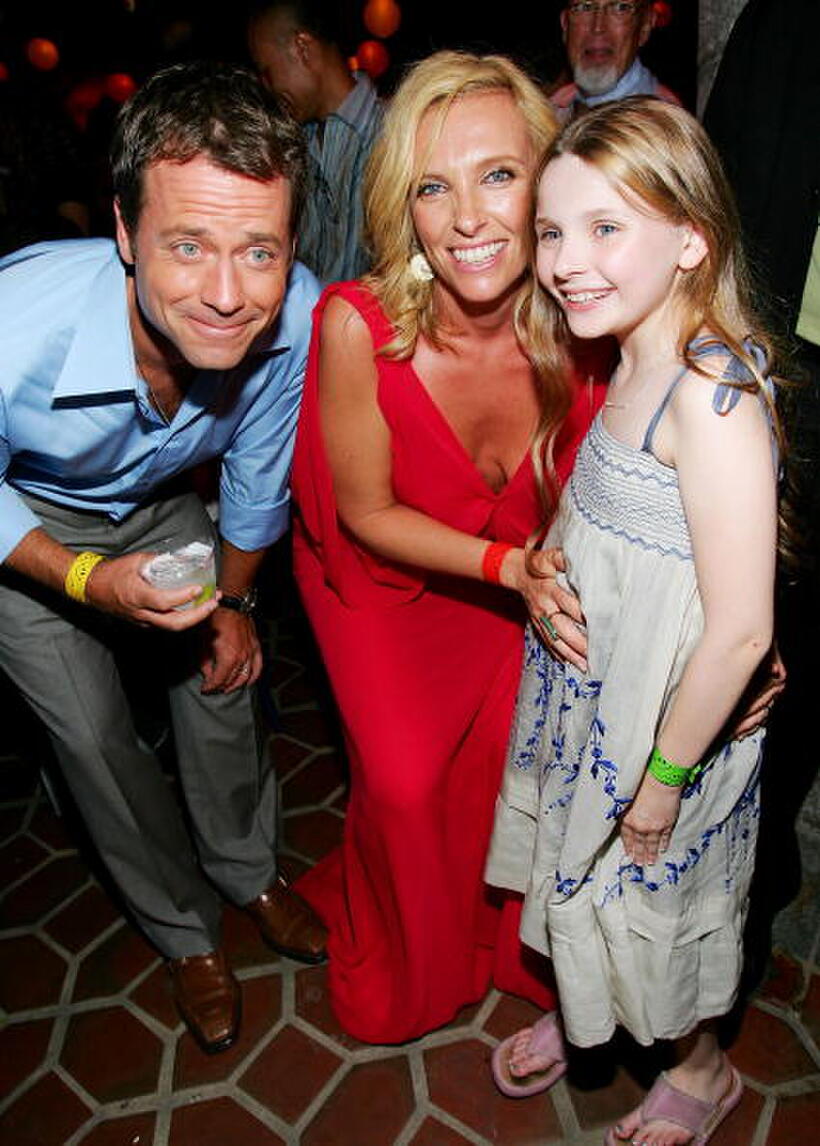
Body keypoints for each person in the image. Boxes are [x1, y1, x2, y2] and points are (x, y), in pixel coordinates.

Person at [0, 61, 327, 1055]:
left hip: (160, 510)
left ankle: (248, 870)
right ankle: (187, 933)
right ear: (124, 232)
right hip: (29, 534)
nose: (228, 296)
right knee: (96, 742)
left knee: (224, 679)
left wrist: (232, 600)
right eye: (187, 245)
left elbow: (262, 471)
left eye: (258, 251)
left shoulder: (298, 315)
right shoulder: (19, 321)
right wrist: (86, 580)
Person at [290, 50, 611, 1044]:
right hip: (381, 581)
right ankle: (416, 968)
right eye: (433, 185)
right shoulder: (359, 325)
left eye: (498, 175)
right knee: (402, 779)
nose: (467, 218)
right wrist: (504, 569)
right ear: (405, 204)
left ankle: (504, 953)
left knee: (520, 764)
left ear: (549, 179)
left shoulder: (587, 319)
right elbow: (366, 515)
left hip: (523, 583)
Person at [486, 97, 782, 1144]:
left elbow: (740, 629)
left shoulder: (712, 393)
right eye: (553, 231)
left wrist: (660, 783)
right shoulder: (624, 356)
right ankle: (588, 1020)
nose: (567, 260)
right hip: (593, 703)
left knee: (648, 907)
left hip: (665, 738)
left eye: (606, 229)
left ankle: (701, 1071)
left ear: (691, 238)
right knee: (586, 887)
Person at [248, 0, 383, 283]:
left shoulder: (397, 133)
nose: (266, 88)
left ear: (302, 49)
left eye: (268, 72)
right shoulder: (296, 144)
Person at [550, 1, 680, 124]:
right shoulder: (554, 109)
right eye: (584, 7)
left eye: (620, 7)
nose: (598, 27)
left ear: (644, 27)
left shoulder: (662, 127)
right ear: (565, 25)